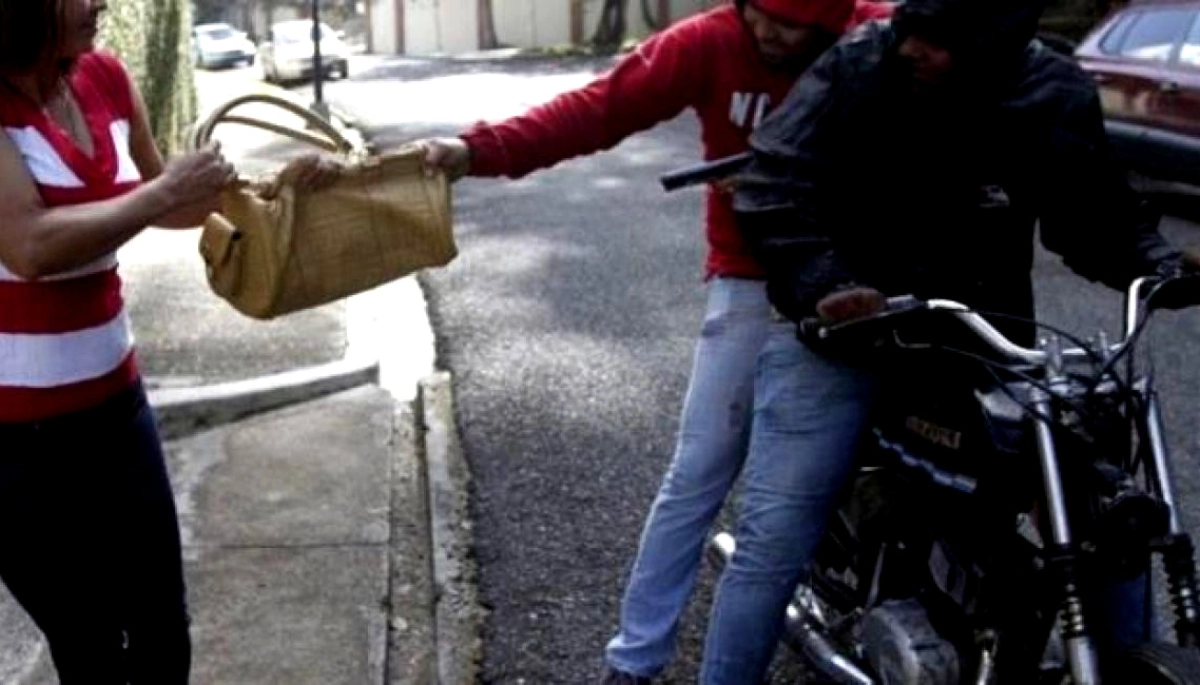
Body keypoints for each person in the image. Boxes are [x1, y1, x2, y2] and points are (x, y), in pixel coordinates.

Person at [705, 0, 1200, 682]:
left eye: (943, 41)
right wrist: (826, 281)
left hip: (984, 339)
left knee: (1107, 509)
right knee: (774, 537)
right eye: (915, 29)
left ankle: (1125, 665)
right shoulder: (860, 64)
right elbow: (773, 182)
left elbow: (1094, 218)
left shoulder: (1049, 91)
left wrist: (1160, 264)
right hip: (852, 334)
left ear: (995, 46)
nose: (915, 49)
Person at [418, 1, 892, 682]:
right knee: (698, 474)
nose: (767, 33)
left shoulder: (879, 38)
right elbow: (598, 108)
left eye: (789, 25)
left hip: (856, 287)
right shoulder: (708, 42)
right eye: (759, 12)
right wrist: (473, 150)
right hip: (752, 284)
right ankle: (634, 657)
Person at [0, 0, 237, 681]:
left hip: (118, 408)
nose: (100, 4)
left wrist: (263, 189)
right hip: (17, 448)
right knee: (90, 643)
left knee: (164, 626)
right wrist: (163, 193)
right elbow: (29, 245)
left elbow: (175, 201)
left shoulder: (105, 77)